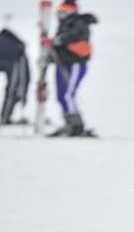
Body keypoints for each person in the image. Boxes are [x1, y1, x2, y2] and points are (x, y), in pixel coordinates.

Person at [47, 0, 97, 137]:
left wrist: (56, 41)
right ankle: (69, 122)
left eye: (64, 11)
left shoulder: (79, 23)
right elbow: (60, 44)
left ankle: (76, 124)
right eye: (59, 11)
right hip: (62, 63)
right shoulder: (63, 26)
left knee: (67, 94)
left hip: (75, 63)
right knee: (61, 95)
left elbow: (70, 37)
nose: (60, 15)